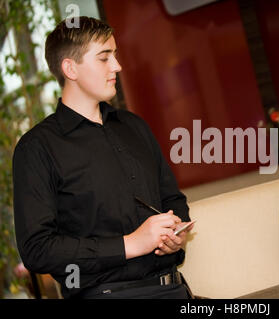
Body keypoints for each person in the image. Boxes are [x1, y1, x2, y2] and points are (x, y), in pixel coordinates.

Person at [13, 16, 194, 299]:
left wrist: (176, 234)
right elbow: (38, 249)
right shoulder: (36, 147)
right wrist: (130, 244)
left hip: (175, 288)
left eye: (115, 55)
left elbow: (172, 199)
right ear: (70, 68)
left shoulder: (134, 126)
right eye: (104, 57)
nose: (117, 66)